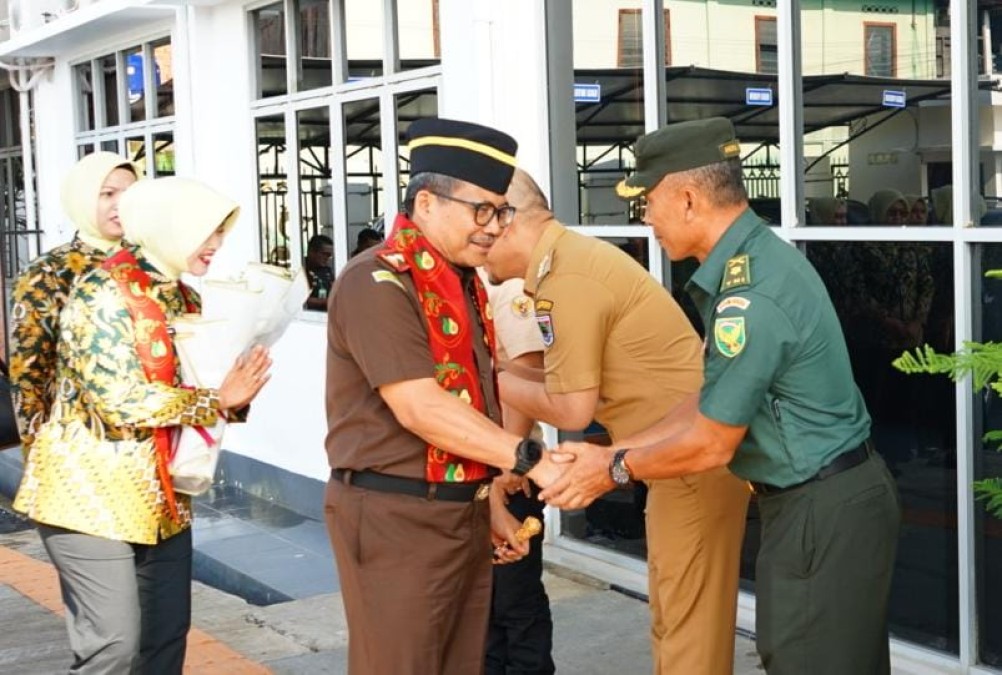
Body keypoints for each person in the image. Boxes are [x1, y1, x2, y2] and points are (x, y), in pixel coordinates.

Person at [541, 117, 901, 675]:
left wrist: (611, 471)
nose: (645, 218)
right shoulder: (747, 268)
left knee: (808, 659)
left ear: (686, 198)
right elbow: (711, 399)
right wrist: (611, 453)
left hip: (821, 509)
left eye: (648, 202)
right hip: (820, 503)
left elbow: (711, 442)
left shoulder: (749, 294)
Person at [484, 168, 749, 675]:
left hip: (689, 457)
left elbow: (570, 409)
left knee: (687, 626)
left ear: (509, 221)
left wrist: (490, 381)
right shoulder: (563, 266)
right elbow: (539, 377)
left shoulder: (568, 278)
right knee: (676, 616)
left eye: (482, 229)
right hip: (665, 451)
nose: (476, 247)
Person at [323, 117, 561, 675]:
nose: (494, 227)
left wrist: (494, 504)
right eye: (482, 209)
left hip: (460, 514)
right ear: (426, 203)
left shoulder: (462, 284)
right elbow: (422, 407)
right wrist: (531, 459)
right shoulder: (377, 282)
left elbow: (473, 402)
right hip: (396, 519)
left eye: (501, 212)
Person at [13, 176, 272, 673]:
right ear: (169, 227)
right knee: (112, 645)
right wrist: (216, 399)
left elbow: (201, 388)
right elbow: (120, 400)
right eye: (205, 232)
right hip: (86, 494)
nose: (214, 245)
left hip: (160, 494)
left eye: (220, 233)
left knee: (165, 637)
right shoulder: (102, 292)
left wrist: (235, 392)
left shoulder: (182, 297)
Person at [9, 151, 138, 459]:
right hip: (78, 450)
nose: (121, 203)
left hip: (151, 441)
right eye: (107, 194)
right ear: (82, 199)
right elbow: (28, 375)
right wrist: (38, 453)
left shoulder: (151, 263)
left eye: (131, 194)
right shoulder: (48, 273)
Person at [482, 275, 554, 675]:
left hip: (511, 477)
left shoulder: (511, 290)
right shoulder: (461, 284)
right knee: (487, 603)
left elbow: (529, 373)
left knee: (515, 600)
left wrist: (509, 462)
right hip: (480, 472)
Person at [304, 233, 335, 311]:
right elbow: (298, 299)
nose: (327, 258)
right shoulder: (301, 270)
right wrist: (324, 302)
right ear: (312, 252)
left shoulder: (327, 271)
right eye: (325, 254)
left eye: (329, 255)